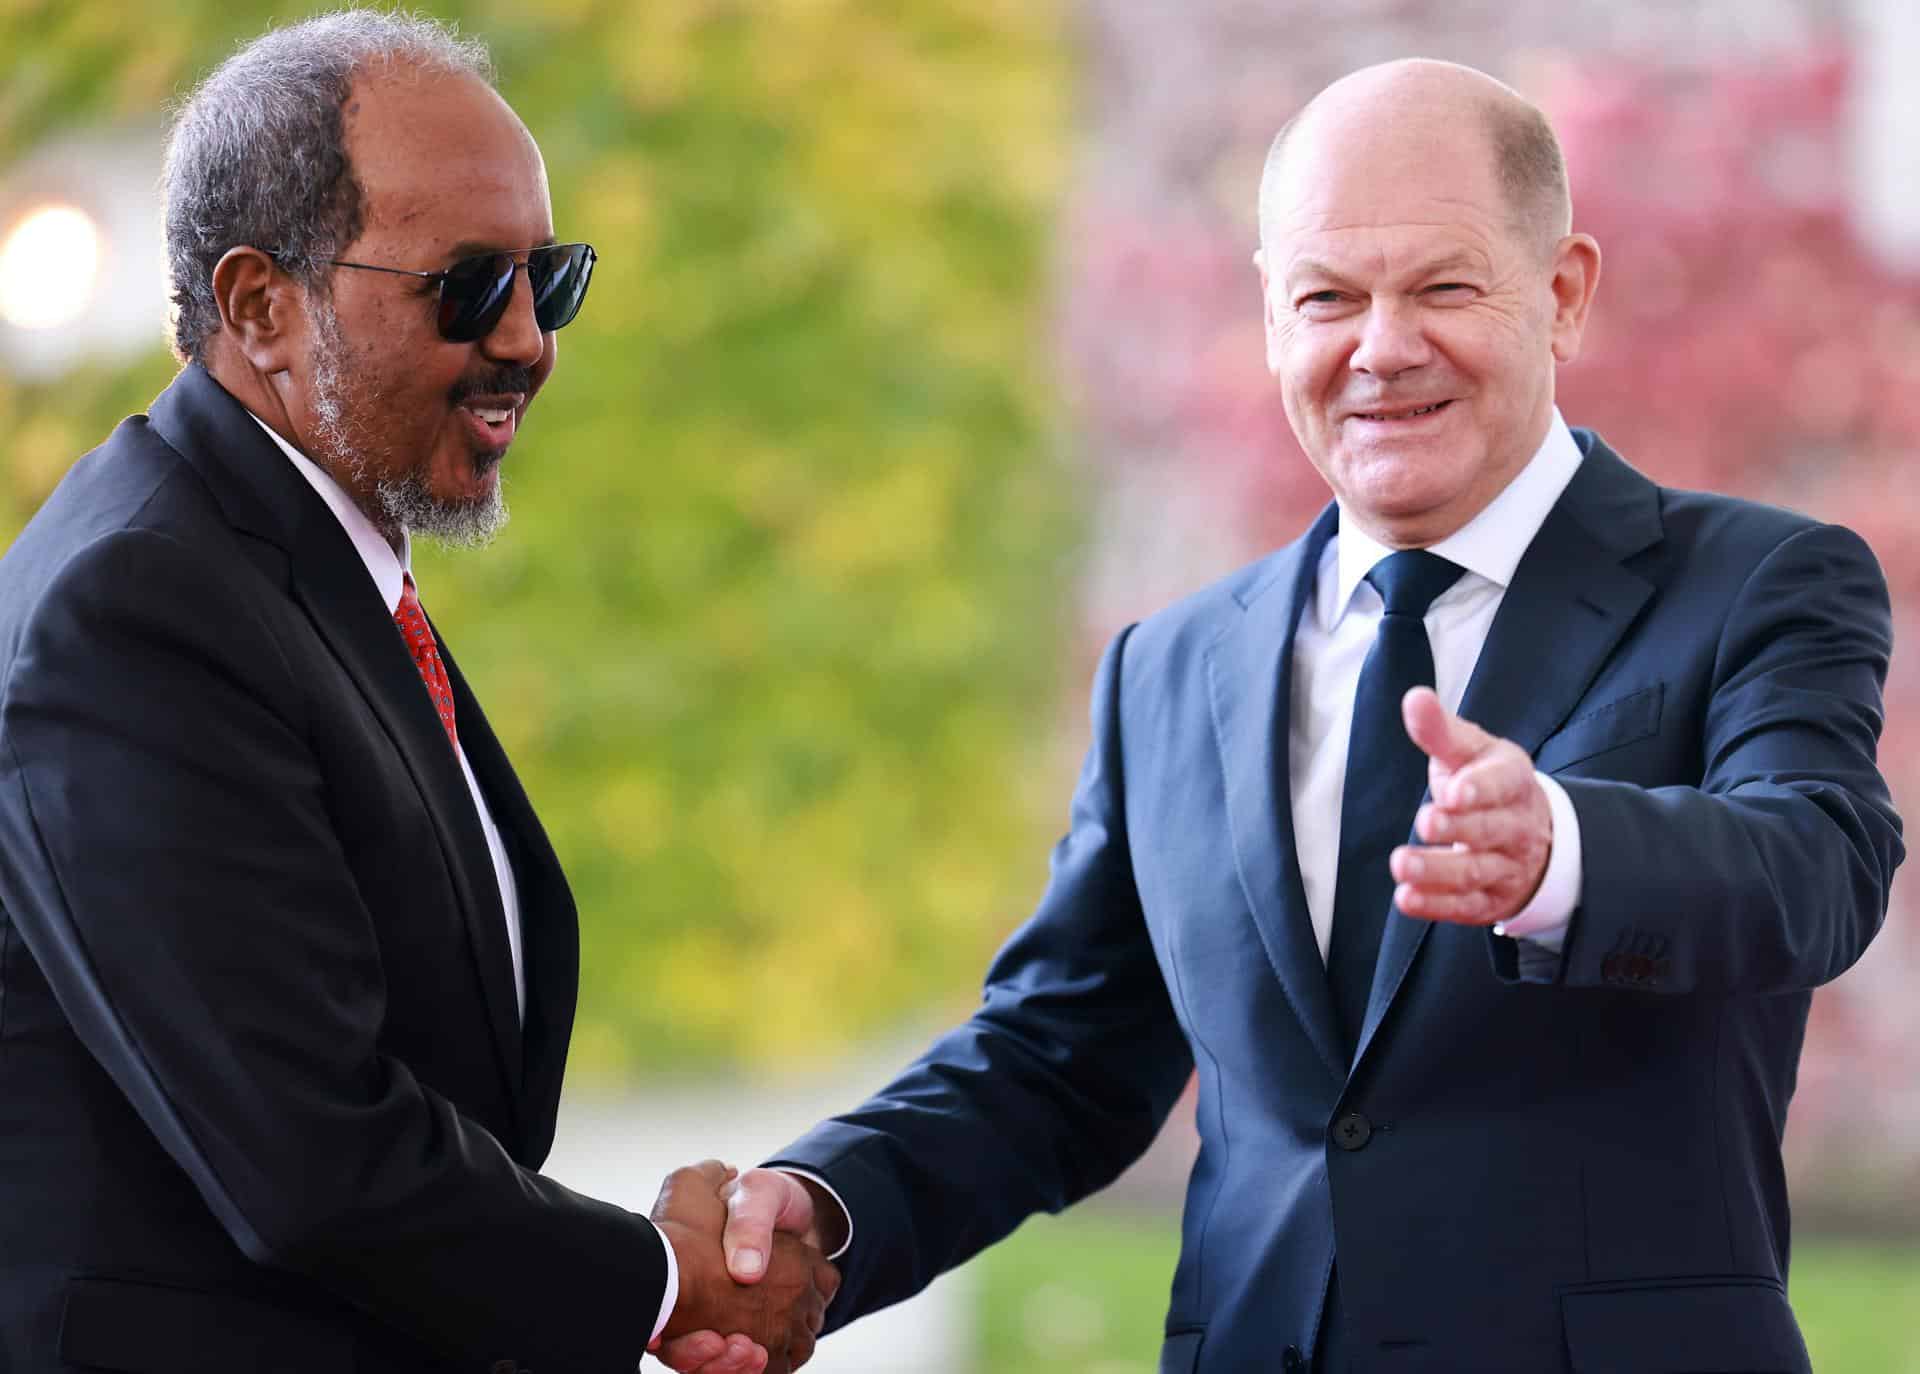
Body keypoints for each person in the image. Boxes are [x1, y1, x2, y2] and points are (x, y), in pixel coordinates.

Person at [661, 58, 1904, 1374]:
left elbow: (1816, 864)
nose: (1380, 345)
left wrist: (1560, 852)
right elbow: (1059, 1053)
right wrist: (831, 1203)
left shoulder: (1758, 582)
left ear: (1564, 292)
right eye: (1327, 296)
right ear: (1270, 316)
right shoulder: (1171, 669)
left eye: (1441, 285)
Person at [0, 13, 833, 1373]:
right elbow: (310, 1152)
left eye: (550, 282)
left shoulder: (287, 557)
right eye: (467, 288)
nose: (528, 343)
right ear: (263, 306)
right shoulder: (137, 606)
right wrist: (663, 1276)